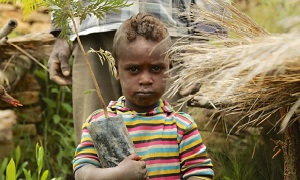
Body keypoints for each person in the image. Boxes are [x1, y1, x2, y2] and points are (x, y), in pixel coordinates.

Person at [48, 0, 228, 144]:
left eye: (155, 70)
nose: (145, 80)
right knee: (96, 143)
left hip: (167, 29)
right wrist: (62, 28)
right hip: (92, 29)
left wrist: (202, 38)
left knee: (169, 141)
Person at [72, 13, 214, 180]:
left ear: (169, 67)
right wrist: (118, 174)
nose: (146, 80)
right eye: (134, 69)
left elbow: (200, 174)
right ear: (116, 70)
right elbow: (82, 173)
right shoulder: (100, 122)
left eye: (156, 69)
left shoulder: (181, 126)